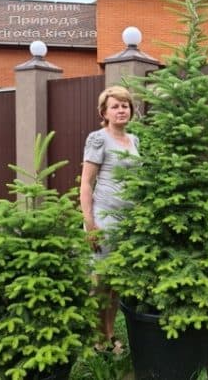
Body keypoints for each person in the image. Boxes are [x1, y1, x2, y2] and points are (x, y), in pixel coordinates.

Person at [80, 85, 139, 353]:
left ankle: (111, 333)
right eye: (115, 106)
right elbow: (86, 183)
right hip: (104, 221)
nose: (121, 110)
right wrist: (90, 223)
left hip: (127, 222)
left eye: (124, 105)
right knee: (100, 281)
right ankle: (97, 338)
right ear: (104, 111)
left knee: (116, 284)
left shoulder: (134, 140)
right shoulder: (98, 138)